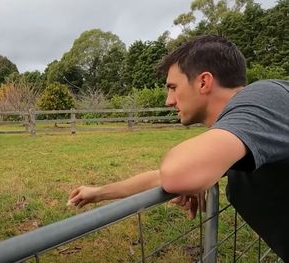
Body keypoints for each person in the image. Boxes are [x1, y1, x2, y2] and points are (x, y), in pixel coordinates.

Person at [67, 35, 289, 261]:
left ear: (204, 82)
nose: (168, 100)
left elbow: (177, 173)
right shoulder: (245, 132)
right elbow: (161, 178)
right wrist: (99, 193)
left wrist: (192, 175)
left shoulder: (264, 98)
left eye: (173, 87)